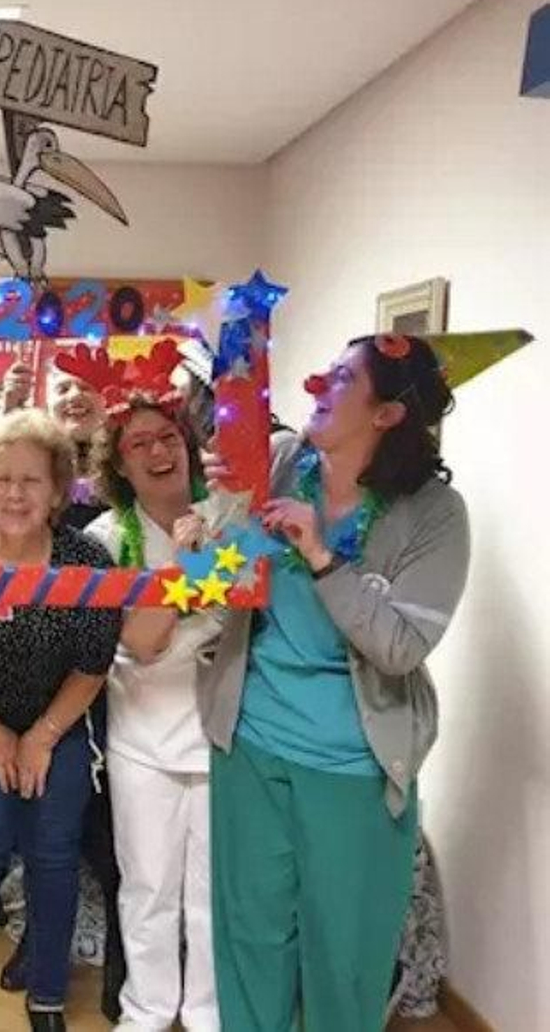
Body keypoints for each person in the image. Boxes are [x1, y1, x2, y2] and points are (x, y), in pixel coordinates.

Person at [202, 334, 467, 1032]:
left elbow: (400, 647)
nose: (319, 381)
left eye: (343, 377)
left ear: (386, 414)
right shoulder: (286, 462)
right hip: (250, 743)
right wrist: (212, 527)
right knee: (250, 941)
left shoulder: (435, 515)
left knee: (344, 957)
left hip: (352, 765)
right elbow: (226, 578)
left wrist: (320, 554)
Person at [0, 410, 123, 1032]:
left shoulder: (86, 559)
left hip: (60, 718)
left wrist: (40, 737)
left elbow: (94, 663)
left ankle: (48, 997)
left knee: (53, 850)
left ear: (59, 490)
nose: (15, 493)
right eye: (2, 479)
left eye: (31, 481)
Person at [83, 398, 224, 1032]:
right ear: (118, 463)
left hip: (224, 734)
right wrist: (179, 566)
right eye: (138, 444)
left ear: (189, 446)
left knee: (211, 895)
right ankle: (146, 1009)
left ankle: (206, 1013)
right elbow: (142, 643)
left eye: (167, 437)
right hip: (142, 735)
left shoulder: (232, 523)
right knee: (147, 887)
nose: (157, 452)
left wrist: (208, 548)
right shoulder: (106, 540)